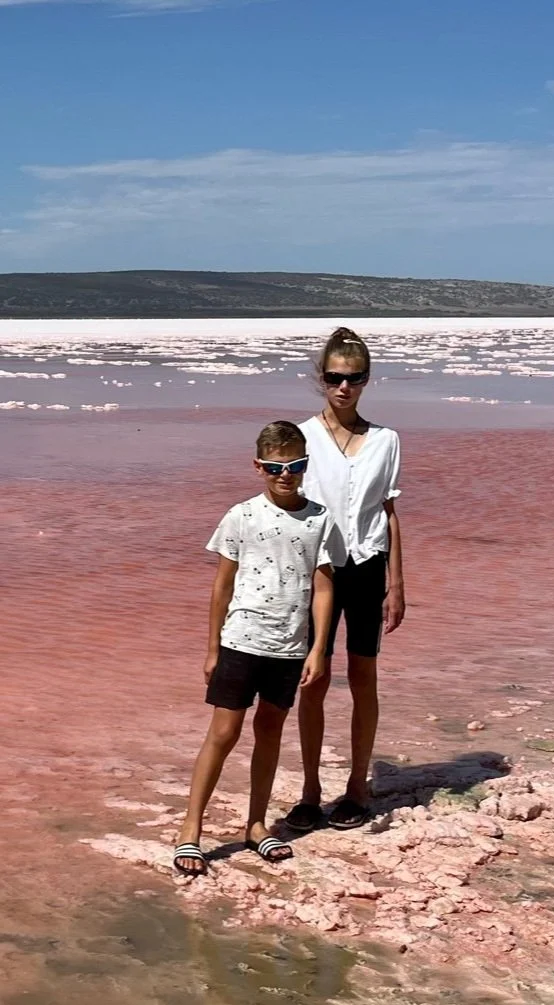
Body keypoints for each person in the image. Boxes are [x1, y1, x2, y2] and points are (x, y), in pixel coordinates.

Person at [173, 421, 335, 876]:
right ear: (258, 466)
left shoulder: (320, 519)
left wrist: (318, 649)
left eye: (296, 466)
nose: (286, 475)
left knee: (270, 732)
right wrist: (211, 648)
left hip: (289, 647)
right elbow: (221, 586)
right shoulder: (241, 515)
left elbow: (324, 590)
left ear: (306, 465)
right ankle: (191, 830)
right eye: (275, 467)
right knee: (223, 734)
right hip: (241, 641)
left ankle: (257, 824)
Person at [285, 328, 405, 832]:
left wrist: (397, 585)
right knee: (313, 680)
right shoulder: (302, 437)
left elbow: (390, 511)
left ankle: (357, 786)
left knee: (364, 677)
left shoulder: (386, 441)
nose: (344, 387)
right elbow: (287, 509)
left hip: (368, 567)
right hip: (319, 571)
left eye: (354, 378)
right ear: (321, 379)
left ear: (366, 380)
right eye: (335, 378)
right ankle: (310, 790)